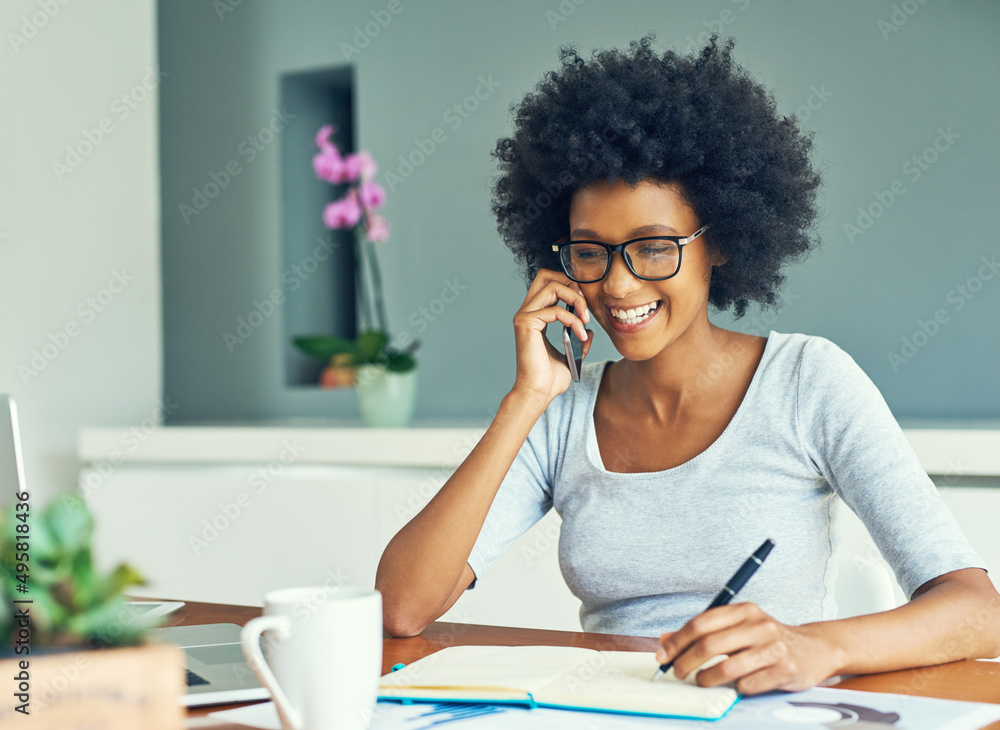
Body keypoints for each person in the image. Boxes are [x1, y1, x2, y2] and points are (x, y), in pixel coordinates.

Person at [375, 35, 1000, 695]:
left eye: (653, 248)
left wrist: (812, 648)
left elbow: (980, 611)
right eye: (591, 252)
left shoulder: (807, 381)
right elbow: (402, 606)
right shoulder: (562, 412)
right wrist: (527, 396)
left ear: (722, 242)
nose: (618, 286)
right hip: (614, 711)